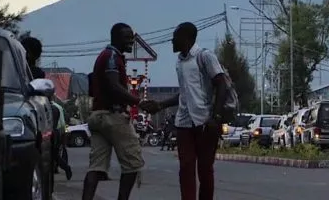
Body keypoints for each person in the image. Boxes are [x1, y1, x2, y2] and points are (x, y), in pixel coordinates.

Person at [143, 22, 229, 200]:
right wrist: (160, 105)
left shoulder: (204, 57)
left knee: (205, 170)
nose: (172, 41)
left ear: (187, 39)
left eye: (175, 38)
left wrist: (216, 117)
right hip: (184, 123)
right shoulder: (180, 62)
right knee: (186, 167)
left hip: (205, 122)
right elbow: (184, 94)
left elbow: (222, 84)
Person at [81, 23, 152, 200]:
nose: (131, 42)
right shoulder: (112, 57)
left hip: (97, 116)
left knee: (96, 167)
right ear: (116, 38)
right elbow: (114, 86)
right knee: (133, 163)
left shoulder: (105, 56)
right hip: (111, 117)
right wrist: (139, 102)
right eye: (127, 38)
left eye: (132, 38)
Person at [50, 100, 73, 180]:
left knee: (54, 154)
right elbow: (64, 123)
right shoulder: (59, 107)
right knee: (57, 153)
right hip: (59, 131)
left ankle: (63, 167)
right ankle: (64, 167)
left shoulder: (51, 108)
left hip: (54, 131)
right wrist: (65, 132)